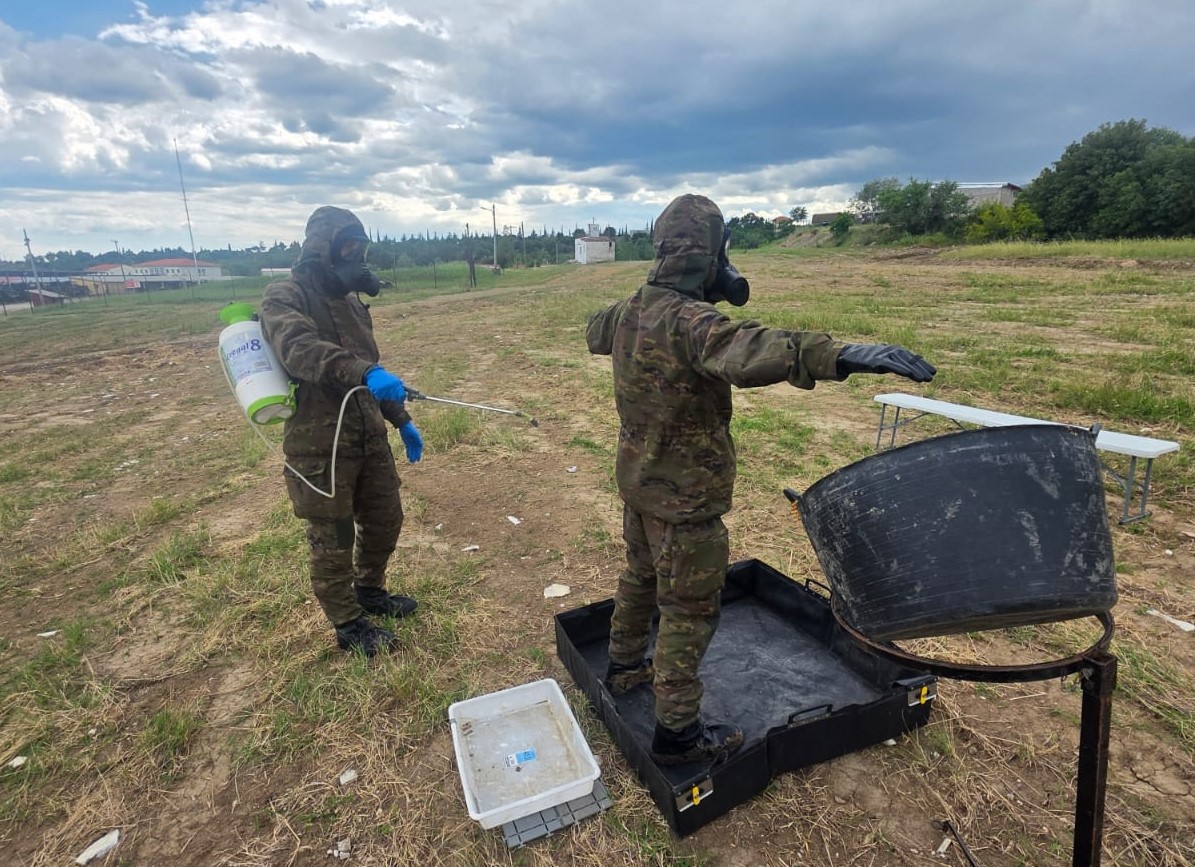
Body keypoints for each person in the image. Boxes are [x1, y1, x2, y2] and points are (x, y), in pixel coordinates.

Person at [585, 194, 936, 766]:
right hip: (686, 500)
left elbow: (597, 329)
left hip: (639, 485)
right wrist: (842, 355)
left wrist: (692, 290)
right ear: (710, 253)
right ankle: (677, 733)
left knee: (640, 577)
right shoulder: (691, 322)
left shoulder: (633, 309)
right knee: (688, 611)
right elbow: (750, 350)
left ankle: (624, 666)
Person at [259, 205, 425, 657]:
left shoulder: (353, 302)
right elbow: (300, 351)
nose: (355, 255)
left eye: (360, 246)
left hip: (367, 433)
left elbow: (375, 373)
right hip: (321, 442)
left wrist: (401, 419)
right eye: (346, 246)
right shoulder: (285, 295)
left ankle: (370, 589)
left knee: (385, 518)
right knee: (332, 537)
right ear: (323, 247)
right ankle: (348, 621)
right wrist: (364, 371)